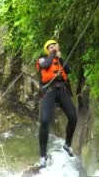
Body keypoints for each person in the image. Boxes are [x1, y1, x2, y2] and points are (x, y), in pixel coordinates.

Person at [35, 39, 77, 168]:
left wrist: (61, 58)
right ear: (47, 50)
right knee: (45, 121)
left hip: (62, 90)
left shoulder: (59, 60)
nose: (53, 48)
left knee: (73, 118)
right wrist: (53, 54)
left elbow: (68, 70)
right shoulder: (42, 59)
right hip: (49, 91)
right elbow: (46, 65)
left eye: (54, 46)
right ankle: (43, 155)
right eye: (50, 47)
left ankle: (67, 145)